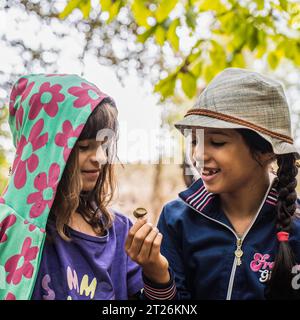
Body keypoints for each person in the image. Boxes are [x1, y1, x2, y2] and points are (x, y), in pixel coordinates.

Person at [126, 68, 300, 300]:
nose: (198, 154)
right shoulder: (176, 219)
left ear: (267, 151)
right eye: (195, 140)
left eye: (217, 142)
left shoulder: (295, 227)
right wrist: (157, 274)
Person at [0, 74, 143, 300]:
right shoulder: (9, 229)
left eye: (104, 145)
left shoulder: (119, 231)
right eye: (85, 146)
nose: (100, 158)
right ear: (45, 150)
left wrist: (159, 273)